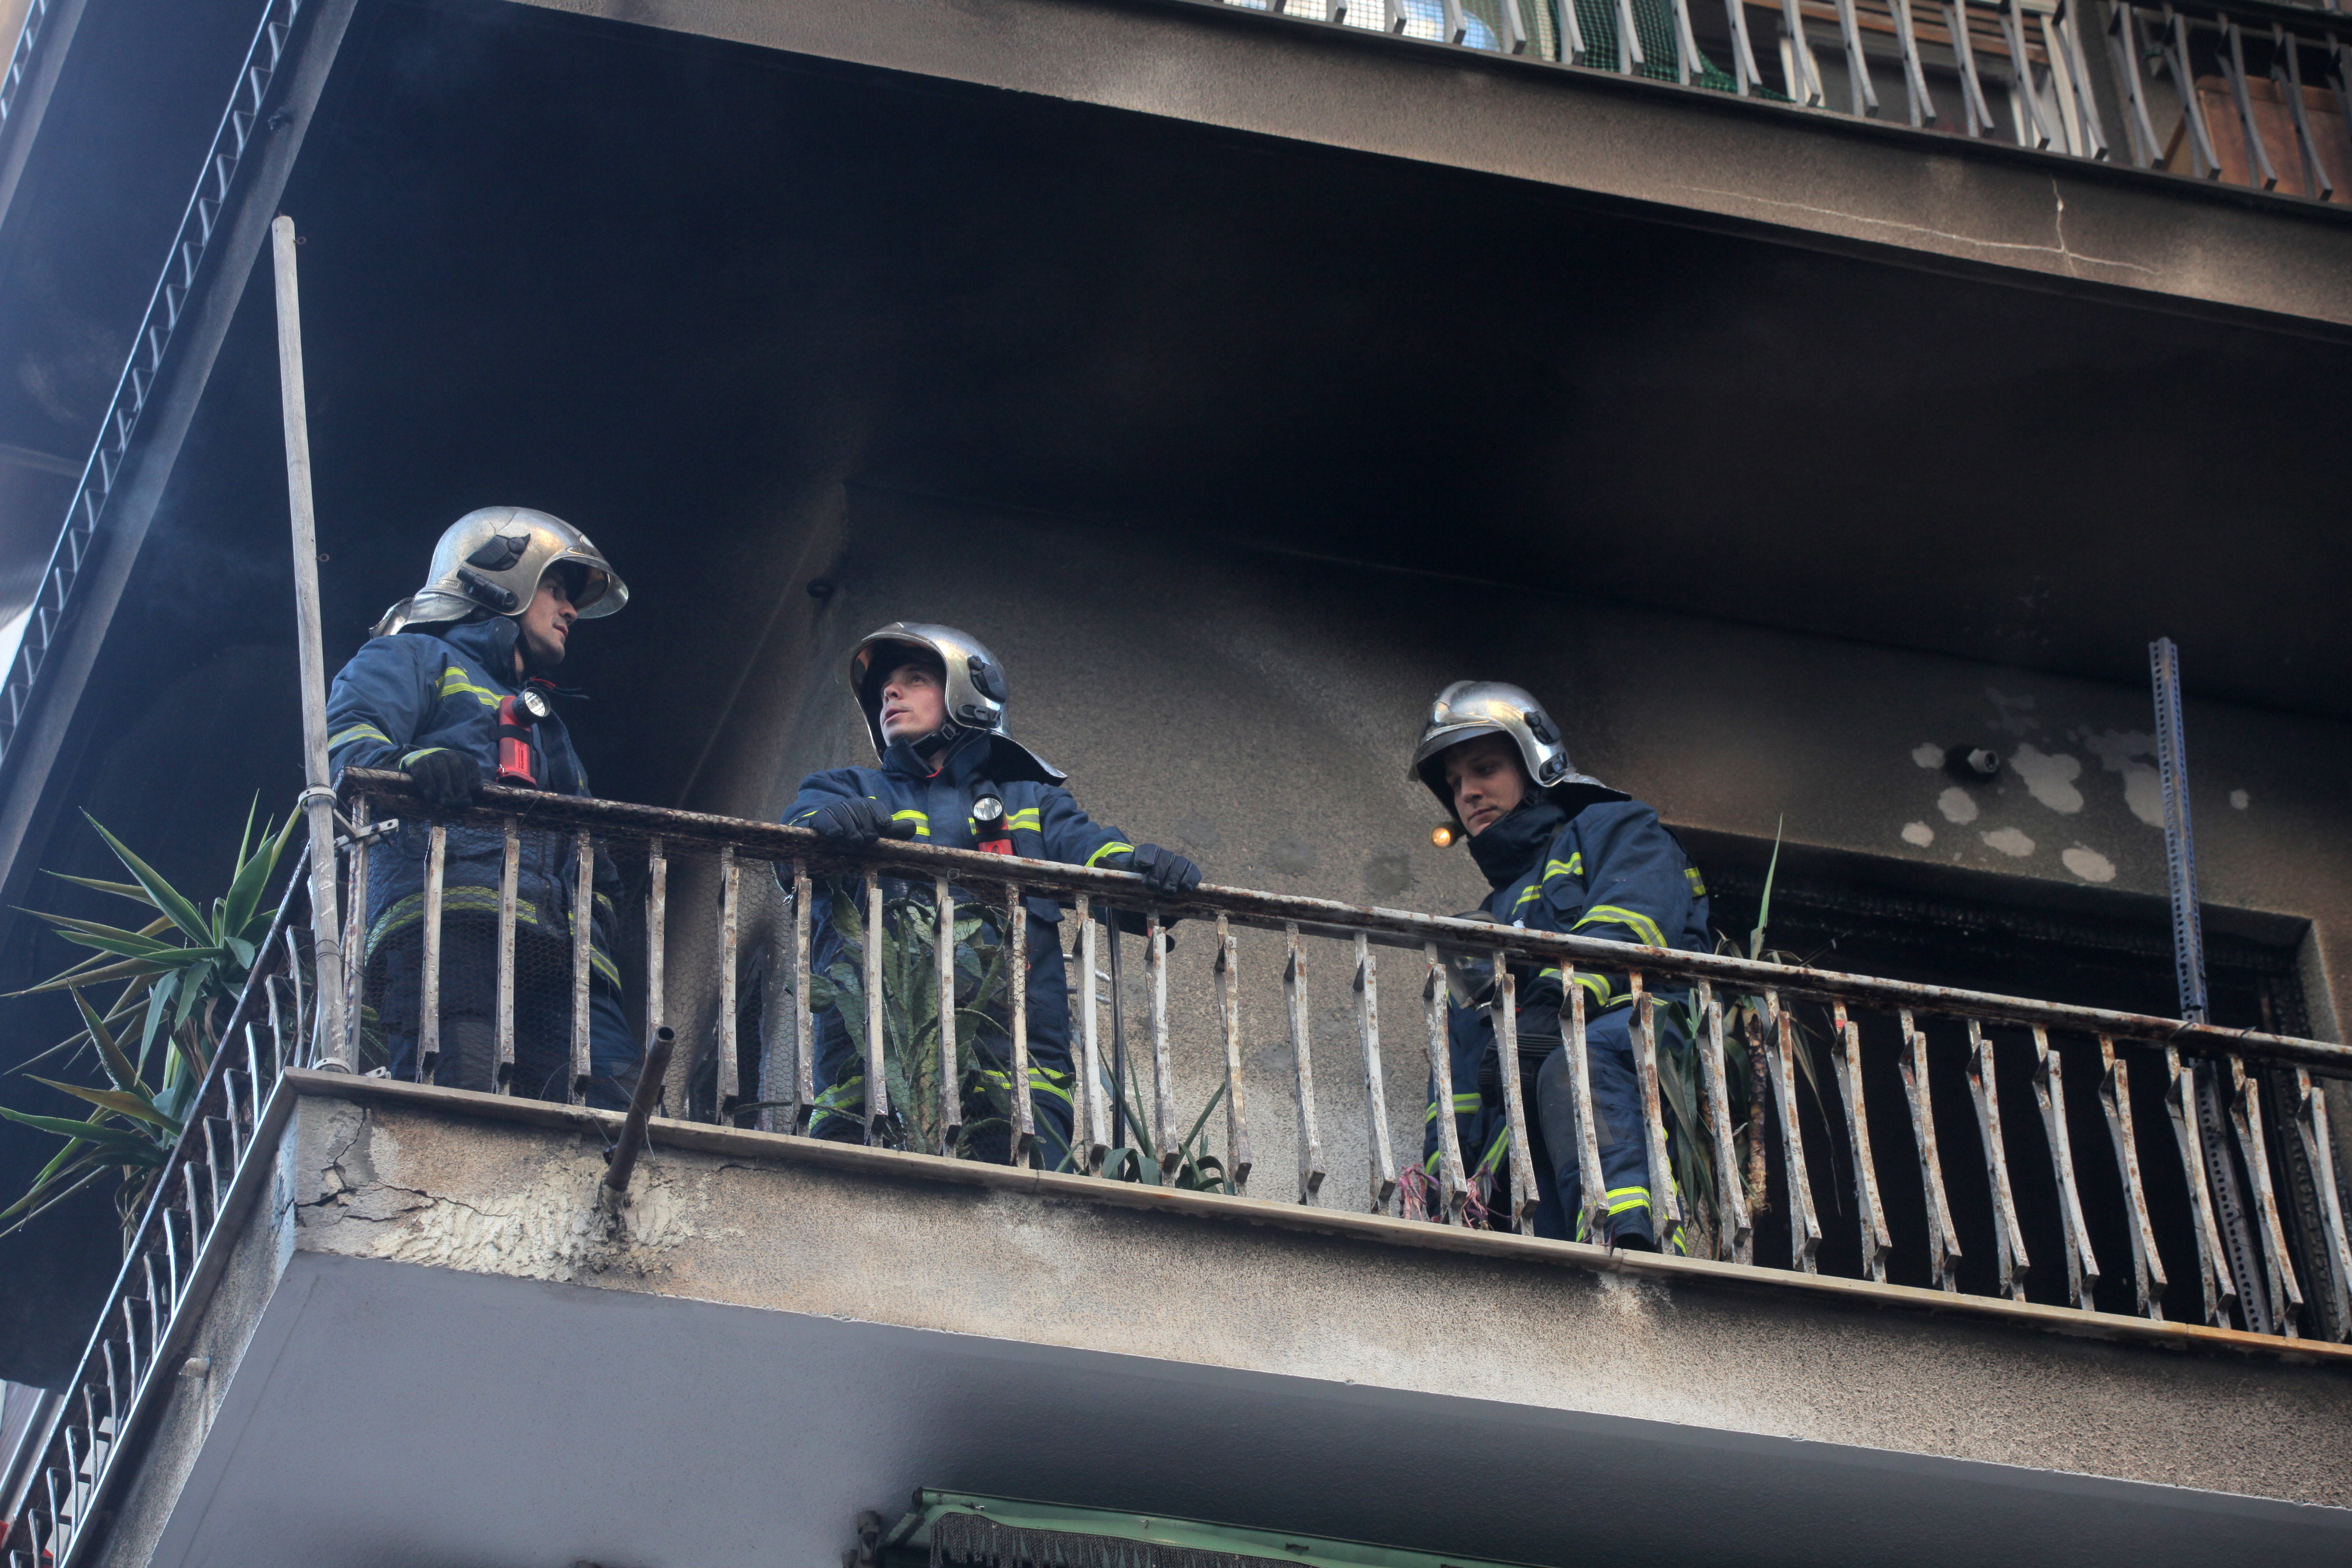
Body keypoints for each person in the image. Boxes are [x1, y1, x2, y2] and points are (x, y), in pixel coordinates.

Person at [783, 623, 1202, 1165]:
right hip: (871, 1065)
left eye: (915, 679)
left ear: (968, 692)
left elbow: (1095, 857)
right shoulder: (844, 790)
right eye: (886, 685)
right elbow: (792, 849)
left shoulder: (1031, 800)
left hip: (1018, 1072)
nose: (891, 692)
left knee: (1022, 1225)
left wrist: (1147, 874)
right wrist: (825, 829)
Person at [325, 507, 640, 1107]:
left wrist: (596, 911)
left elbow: (592, 848)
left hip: (561, 954)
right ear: (504, 577)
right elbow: (344, 748)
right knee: (460, 1107)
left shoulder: (549, 725)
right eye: (555, 587)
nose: (570, 610)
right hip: (452, 927)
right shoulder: (412, 659)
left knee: (620, 1117)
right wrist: (409, 767)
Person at [1409, 681, 1708, 1250]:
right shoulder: (1487, 920)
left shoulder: (1613, 827)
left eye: (1485, 769)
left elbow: (1637, 920)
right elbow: (1460, 1073)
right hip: (1532, 1138)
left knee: (1576, 1060)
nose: (1468, 793)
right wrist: (1444, 1173)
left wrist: (1551, 1006)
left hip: (1632, 1041)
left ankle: (1630, 1244)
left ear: (1534, 761)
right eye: (1455, 783)